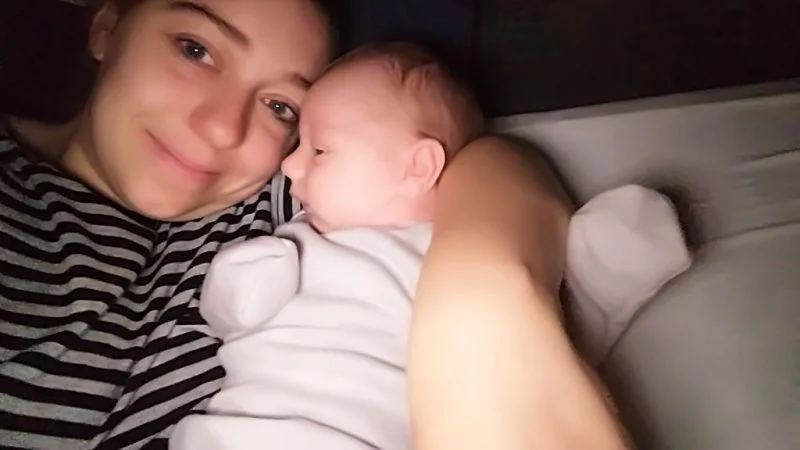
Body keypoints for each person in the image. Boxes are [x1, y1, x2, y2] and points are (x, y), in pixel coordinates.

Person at [0, 1, 628, 449]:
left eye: (280, 107)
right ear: (107, 26)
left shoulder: (285, 197)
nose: (222, 127)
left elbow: (484, 160)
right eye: (196, 50)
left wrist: (485, 299)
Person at [169, 42, 484, 450]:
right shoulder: (297, 239)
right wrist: (246, 271)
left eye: (318, 150)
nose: (289, 166)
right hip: (241, 434)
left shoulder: (454, 254)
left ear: (417, 168)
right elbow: (225, 314)